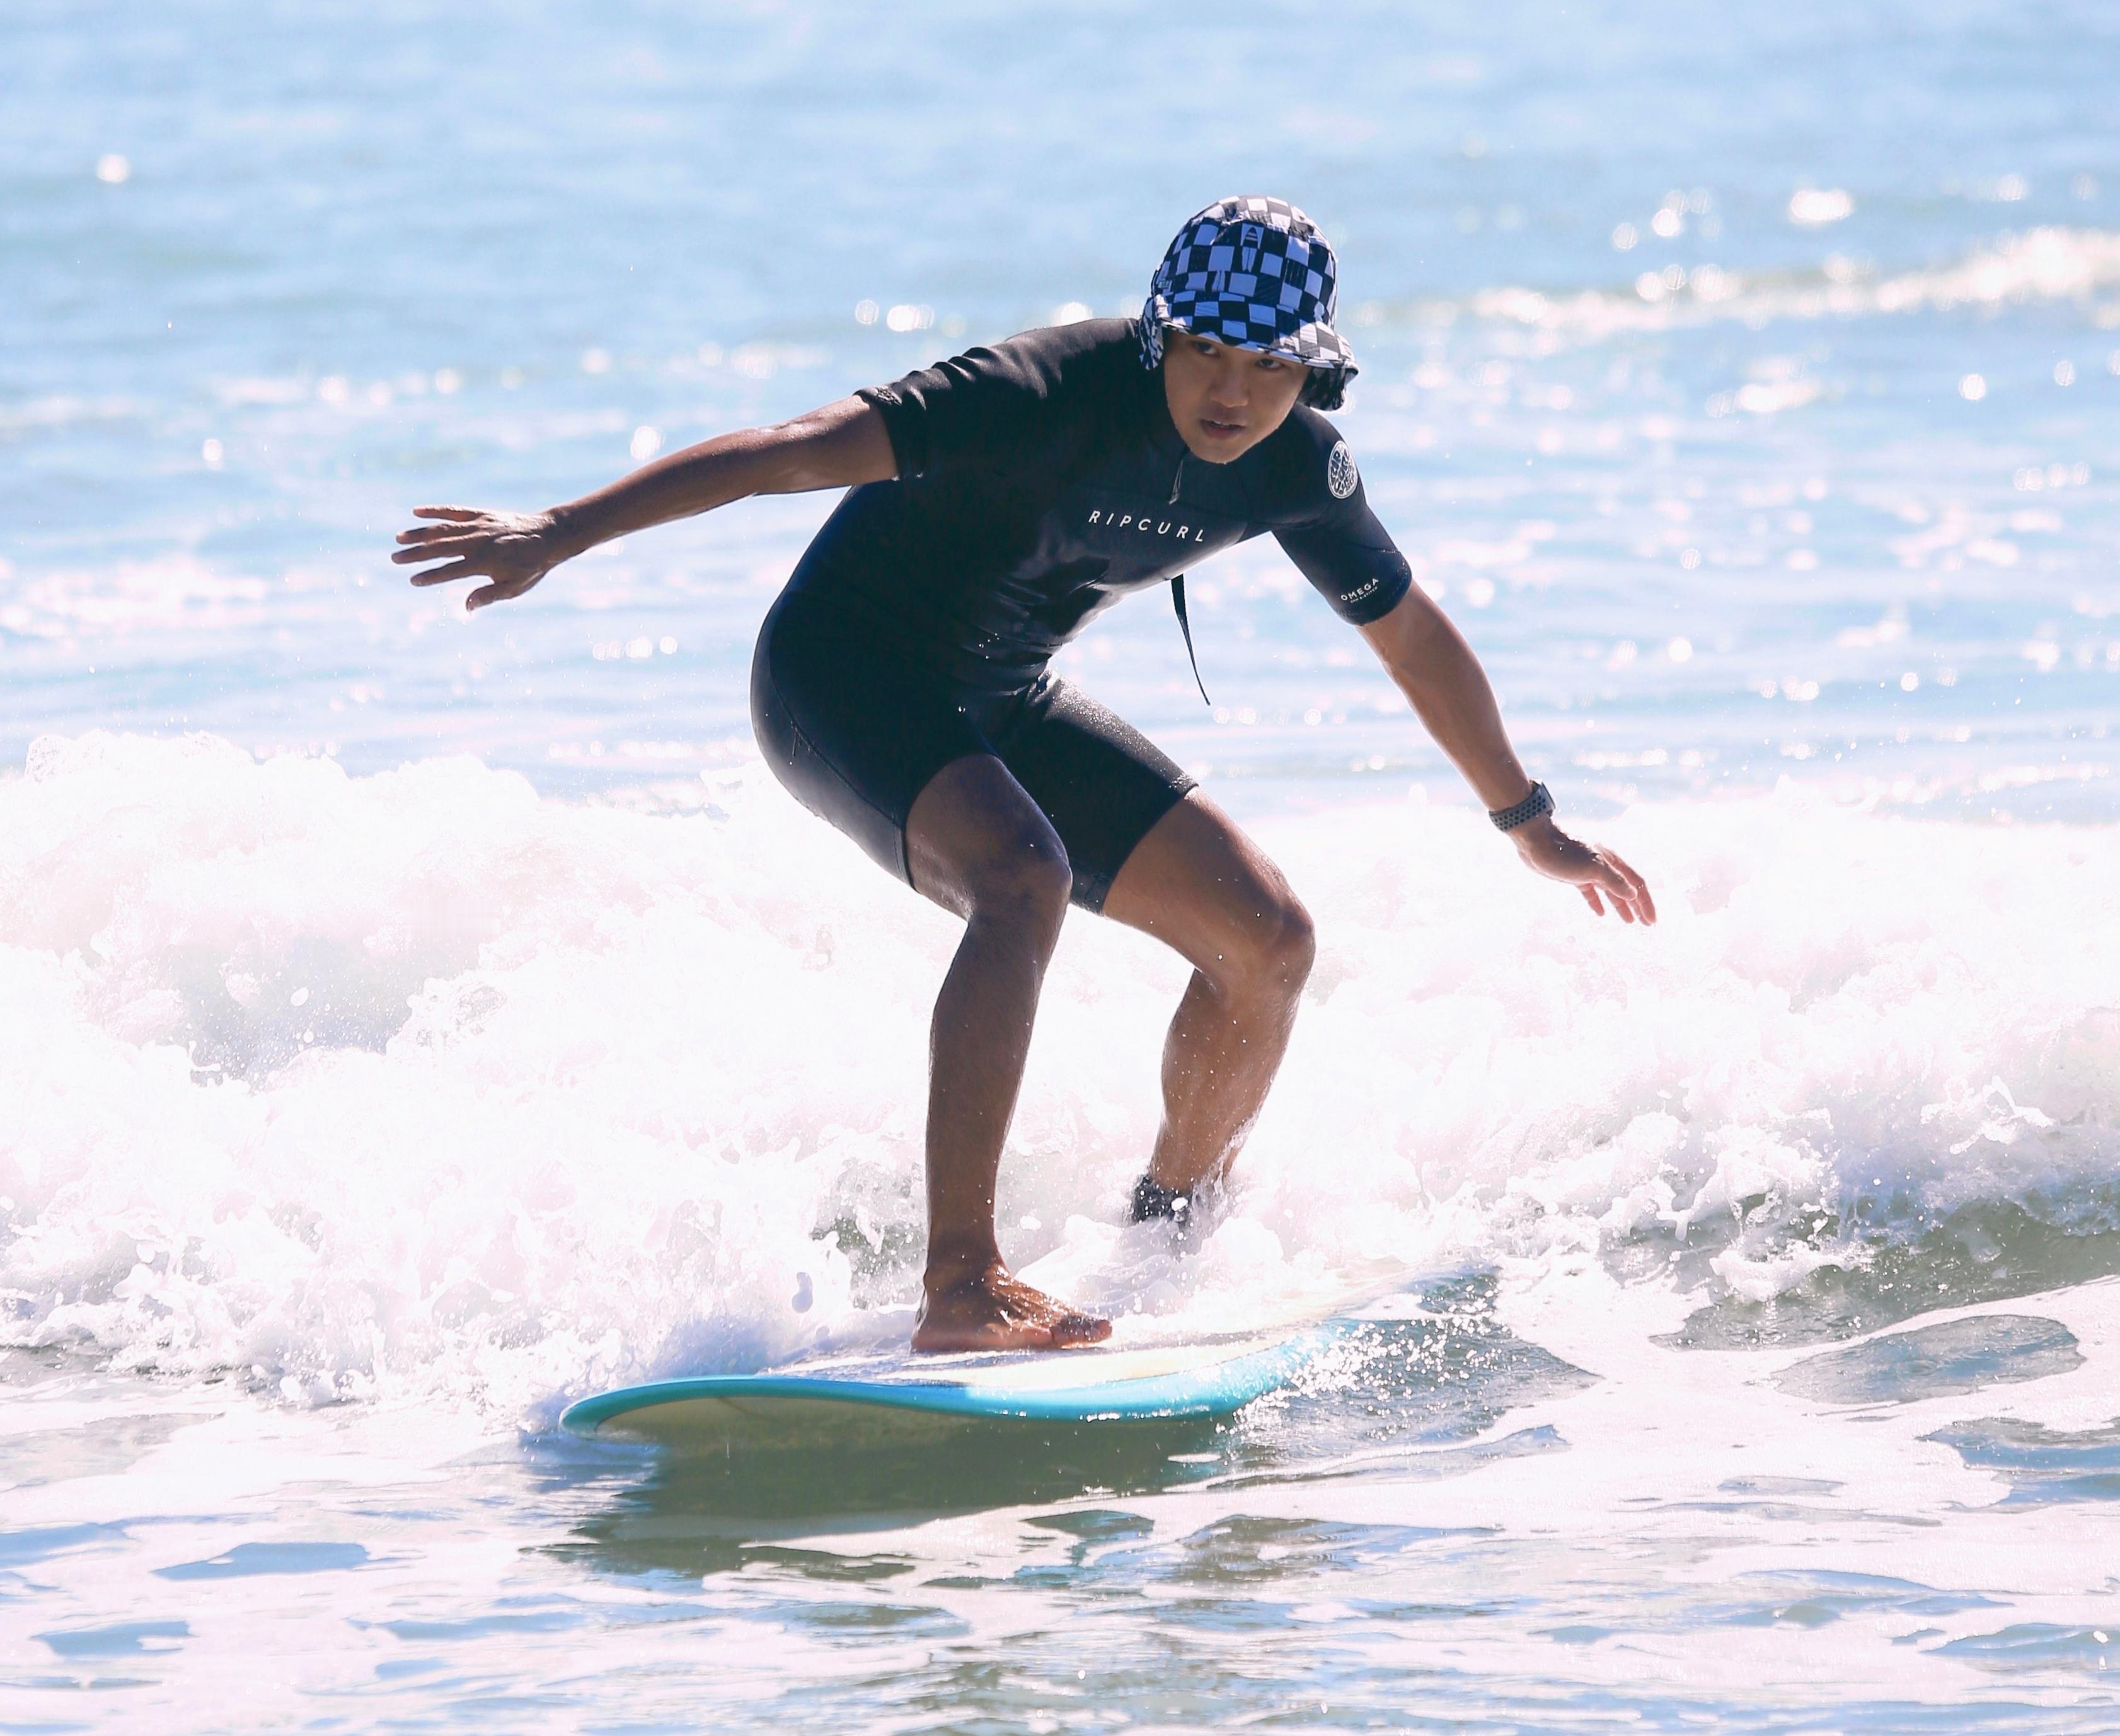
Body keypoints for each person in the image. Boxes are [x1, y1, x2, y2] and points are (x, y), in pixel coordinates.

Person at [394, 197, 1655, 1354]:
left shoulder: (1293, 468)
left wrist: (1524, 819)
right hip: (840, 675)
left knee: (1266, 937)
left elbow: (1409, 634)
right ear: (1158, 334)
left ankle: (1164, 1240)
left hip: (1000, 695)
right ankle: (961, 1285)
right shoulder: (1035, 389)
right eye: (1206, 352)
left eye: (1269, 365)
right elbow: (790, 448)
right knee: (1021, 874)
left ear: (1310, 366)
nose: (1232, 391)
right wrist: (559, 530)